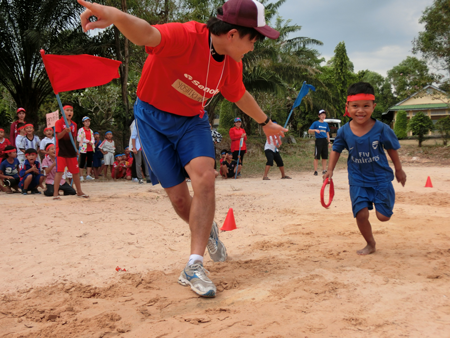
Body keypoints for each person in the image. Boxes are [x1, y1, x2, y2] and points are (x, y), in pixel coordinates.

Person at [78, 0, 287, 298]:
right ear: (232, 34)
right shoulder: (187, 36)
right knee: (179, 201)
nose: (253, 47)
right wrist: (115, 15)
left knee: (205, 177)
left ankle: (194, 264)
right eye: (252, 39)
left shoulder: (231, 64)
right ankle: (208, 230)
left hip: (191, 121)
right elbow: (147, 34)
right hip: (152, 119)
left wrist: (266, 121)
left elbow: (239, 94)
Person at [324, 82, 407, 256]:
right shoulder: (344, 131)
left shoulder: (382, 129)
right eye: (355, 106)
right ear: (348, 107)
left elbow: (392, 149)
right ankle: (370, 243)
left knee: (383, 217)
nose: (360, 111)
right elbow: (336, 150)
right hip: (357, 179)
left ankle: (384, 204)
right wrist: (329, 170)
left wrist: (399, 170)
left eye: (365, 106)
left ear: (373, 107)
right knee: (361, 214)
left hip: (381, 178)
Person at [53, 103, 88, 199]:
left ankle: (79, 191)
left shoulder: (74, 124)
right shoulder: (58, 123)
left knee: (75, 172)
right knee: (59, 172)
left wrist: (76, 148)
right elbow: (58, 136)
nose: (69, 112)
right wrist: (65, 131)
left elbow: (73, 137)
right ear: (62, 112)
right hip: (61, 150)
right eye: (67, 110)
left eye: (71, 110)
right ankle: (55, 193)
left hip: (71, 150)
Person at [309, 109, 330, 176]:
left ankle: (324, 170)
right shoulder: (315, 123)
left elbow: (327, 133)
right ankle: (315, 171)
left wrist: (329, 142)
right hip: (318, 140)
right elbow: (309, 130)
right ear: (319, 116)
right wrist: (315, 130)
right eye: (322, 115)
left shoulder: (326, 124)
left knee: (324, 157)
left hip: (324, 140)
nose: (323, 116)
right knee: (317, 156)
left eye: (324, 115)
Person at [77, 116, 95, 181]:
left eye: (88, 121)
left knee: (89, 162)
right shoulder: (81, 130)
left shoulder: (91, 130)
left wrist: (92, 142)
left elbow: (93, 138)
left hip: (90, 148)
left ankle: (88, 175)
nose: (87, 123)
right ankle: (81, 176)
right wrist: (88, 141)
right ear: (83, 123)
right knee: (82, 161)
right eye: (86, 121)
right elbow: (79, 139)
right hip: (83, 148)